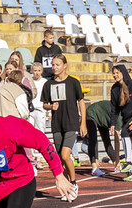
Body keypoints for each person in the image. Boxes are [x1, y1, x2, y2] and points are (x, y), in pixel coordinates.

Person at [40, 54, 86, 200]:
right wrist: (50, 106)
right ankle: (68, 187)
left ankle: (73, 182)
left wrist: (82, 122)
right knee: (60, 158)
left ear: (65, 65)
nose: (54, 67)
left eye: (57, 65)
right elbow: (44, 104)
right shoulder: (48, 84)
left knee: (66, 155)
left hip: (71, 122)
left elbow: (81, 102)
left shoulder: (73, 82)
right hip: (57, 124)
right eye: (53, 65)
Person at [109, 64, 132, 182]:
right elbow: (114, 109)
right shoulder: (114, 89)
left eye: (117, 73)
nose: (115, 75)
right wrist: (112, 123)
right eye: (113, 73)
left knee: (125, 133)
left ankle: (128, 161)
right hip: (127, 119)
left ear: (123, 73)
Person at [85, 100, 121, 177]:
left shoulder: (120, 117)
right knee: (93, 139)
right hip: (92, 113)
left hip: (102, 117)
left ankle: (115, 164)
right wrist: (118, 160)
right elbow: (117, 141)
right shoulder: (119, 119)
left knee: (106, 140)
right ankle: (94, 168)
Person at [29, 63, 47, 134]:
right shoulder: (29, 81)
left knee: (40, 132)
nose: (37, 73)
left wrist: (49, 113)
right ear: (32, 71)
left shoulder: (45, 82)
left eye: (39, 70)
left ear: (42, 71)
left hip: (40, 110)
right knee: (29, 132)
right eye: (35, 70)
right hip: (30, 110)